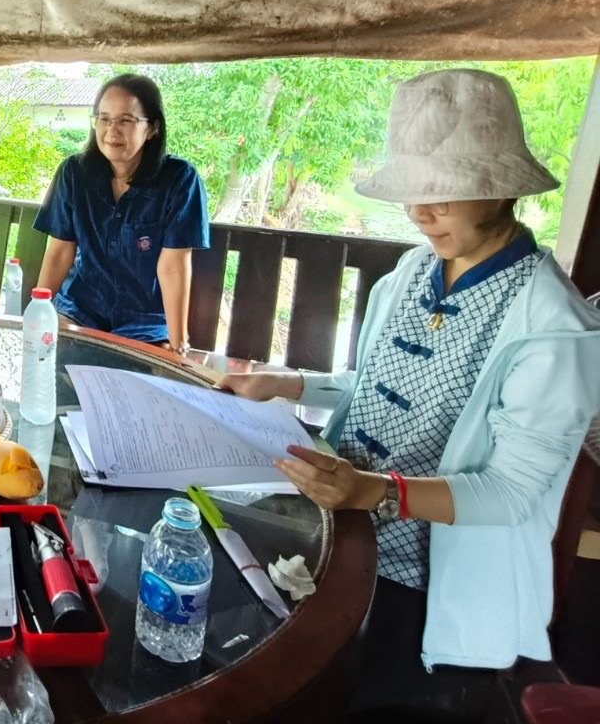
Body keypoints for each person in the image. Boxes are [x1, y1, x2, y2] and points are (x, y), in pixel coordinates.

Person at [220, 69, 600, 720]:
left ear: (499, 187)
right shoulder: (414, 270)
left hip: (434, 592)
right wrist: (287, 384)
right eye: (414, 192)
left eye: (444, 192)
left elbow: (513, 491)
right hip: (348, 542)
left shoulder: (552, 326)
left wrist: (376, 491)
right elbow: (368, 385)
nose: (422, 212)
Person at [34, 73, 208, 349]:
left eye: (126, 120)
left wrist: (178, 346)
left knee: (143, 386)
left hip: (144, 324)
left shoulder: (180, 180)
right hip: (77, 312)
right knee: (49, 362)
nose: (112, 131)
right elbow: (59, 253)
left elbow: (173, 267)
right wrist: (37, 314)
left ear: (152, 128)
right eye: (104, 118)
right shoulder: (74, 173)